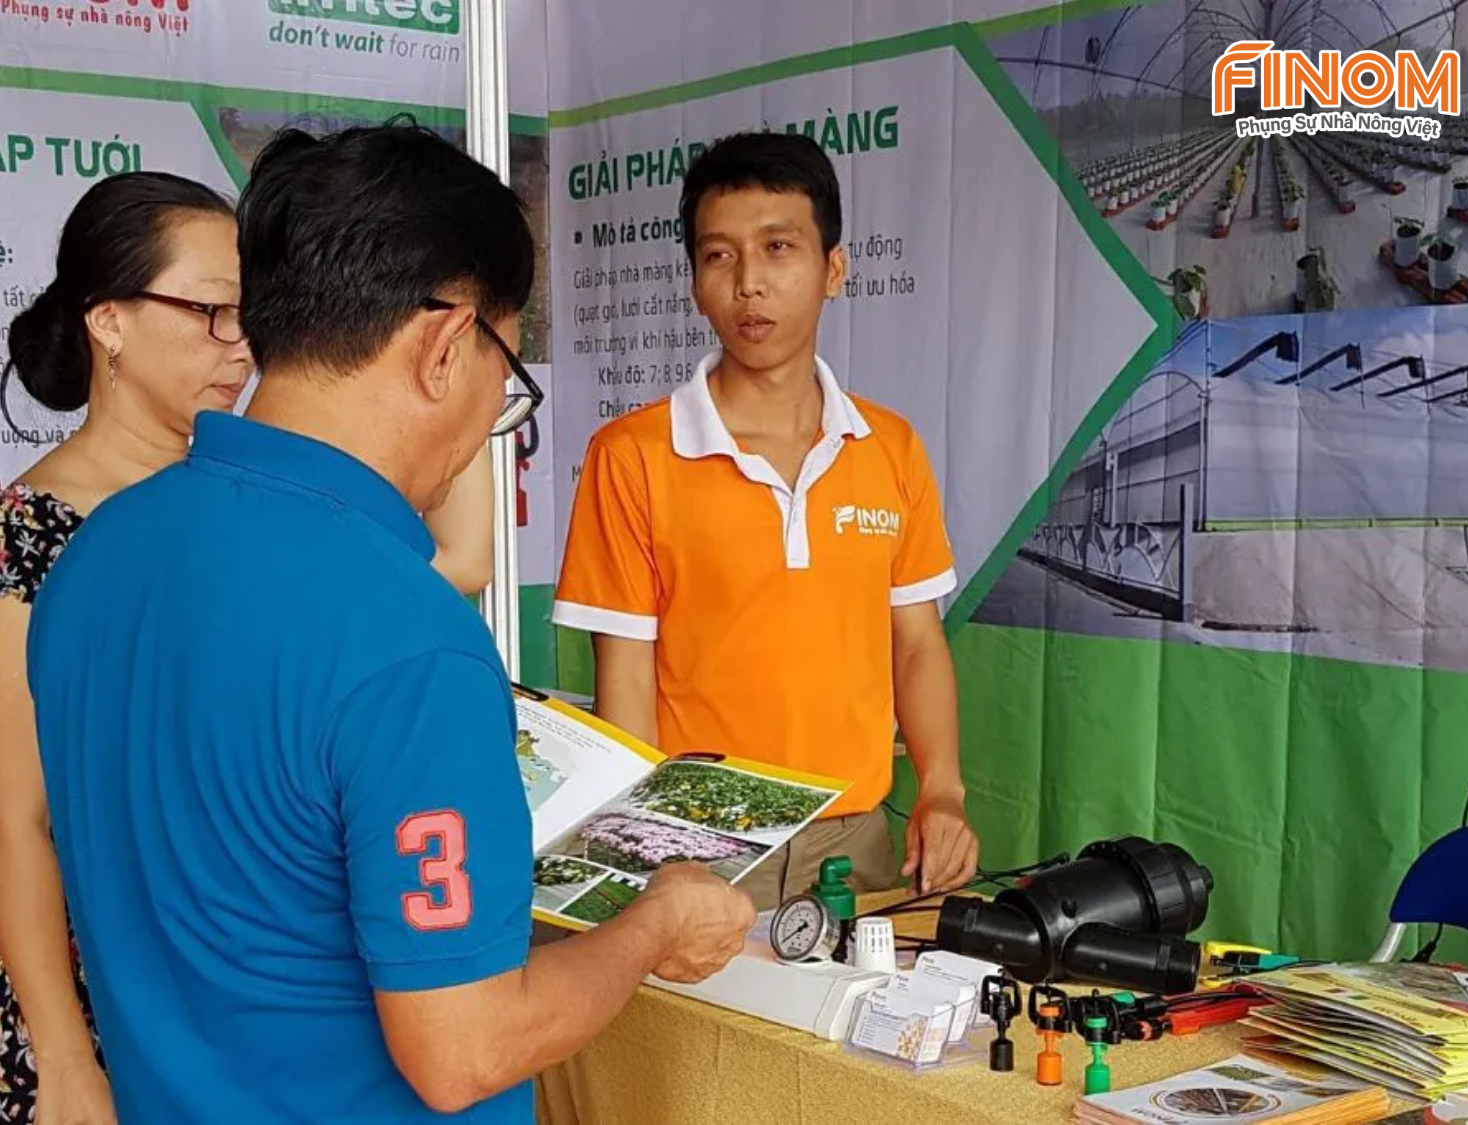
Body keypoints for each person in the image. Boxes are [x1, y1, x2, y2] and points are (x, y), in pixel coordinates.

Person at [25, 121, 754, 1125]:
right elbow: (464, 1050)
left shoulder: (98, 554)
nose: (495, 413)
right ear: (446, 346)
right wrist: (653, 927)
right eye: (508, 372)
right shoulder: (407, 641)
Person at [0, 171, 501, 1125]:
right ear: (108, 322)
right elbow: (13, 818)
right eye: (210, 313)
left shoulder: (249, 507)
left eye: (253, 314)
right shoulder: (37, 537)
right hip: (100, 998)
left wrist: (454, 391)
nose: (241, 344)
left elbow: (457, 561)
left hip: (234, 1000)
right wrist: (62, 1051)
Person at [552, 131, 980, 911]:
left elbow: (917, 640)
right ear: (694, 282)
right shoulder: (633, 455)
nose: (749, 283)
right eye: (719, 256)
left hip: (854, 842)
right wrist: (645, 856)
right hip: (698, 843)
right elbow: (626, 675)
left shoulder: (889, 447)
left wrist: (942, 790)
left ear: (834, 269)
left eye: (778, 248)